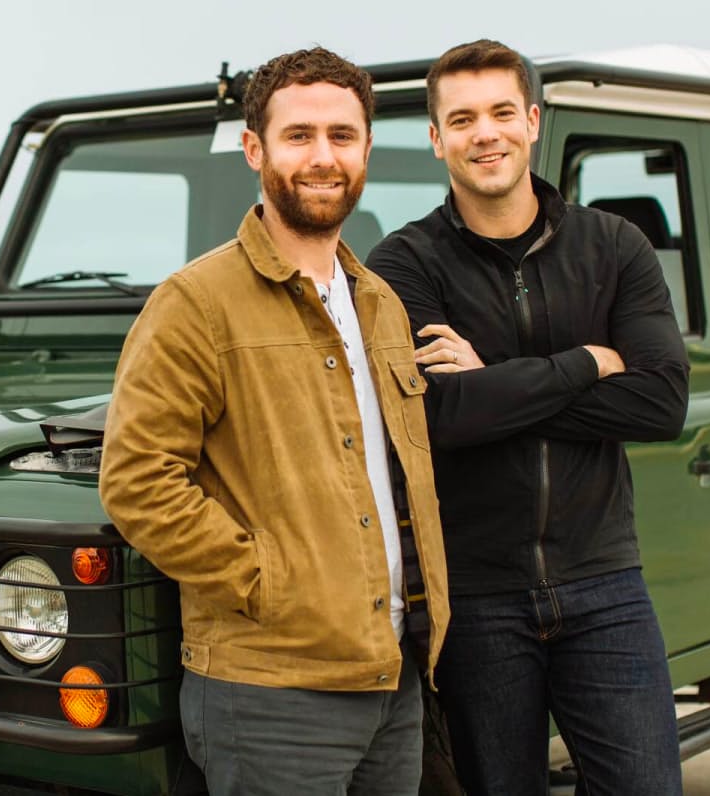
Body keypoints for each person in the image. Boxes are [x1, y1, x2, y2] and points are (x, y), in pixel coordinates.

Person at [100, 47, 449, 796]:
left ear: (365, 150)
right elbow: (136, 481)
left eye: (342, 136)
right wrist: (267, 583)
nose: (323, 157)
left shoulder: (381, 303)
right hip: (270, 693)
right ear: (255, 149)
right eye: (299, 136)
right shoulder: (195, 302)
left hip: (392, 674)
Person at [367, 39, 690, 796]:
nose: (487, 133)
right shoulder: (404, 265)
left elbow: (661, 399)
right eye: (464, 118)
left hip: (604, 580)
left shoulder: (614, 247)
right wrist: (584, 361)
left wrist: (494, 384)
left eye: (503, 112)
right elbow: (439, 415)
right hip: (475, 597)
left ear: (534, 120)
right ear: (436, 136)